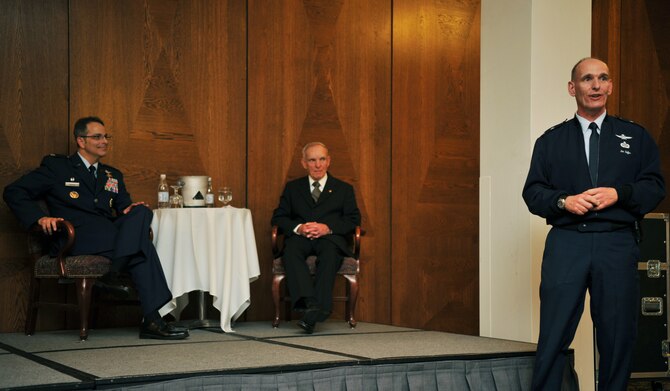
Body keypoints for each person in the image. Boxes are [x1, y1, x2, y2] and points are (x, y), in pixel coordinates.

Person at [523, 58, 665, 390]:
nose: (596, 85)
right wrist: (564, 201)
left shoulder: (636, 136)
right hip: (567, 243)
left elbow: (655, 186)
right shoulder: (551, 141)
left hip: (616, 243)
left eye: (603, 78)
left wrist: (621, 193)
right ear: (573, 88)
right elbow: (533, 192)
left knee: (618, 338)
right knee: (554, 335)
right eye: (587, 79)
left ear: (611, 86)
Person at [3, 116, 189, 340]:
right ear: (81, 141)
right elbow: (13, 191)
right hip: (74, 234)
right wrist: (39, 219)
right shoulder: (57, 167)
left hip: (107, 234)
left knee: (143, 212)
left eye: (106, 136)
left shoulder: (112, 175)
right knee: (143, 250)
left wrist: (130, 210)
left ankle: (113, 274)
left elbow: (123, 209)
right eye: (97, 137)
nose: (104, 141)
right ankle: (152, 320)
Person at [271, 142, 361, 334]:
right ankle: (313, 306)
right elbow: (278, 217)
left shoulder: (343, 189)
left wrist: (328, 228)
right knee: (291, 252)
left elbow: (353, 220)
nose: (317, 165)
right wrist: (299, 228)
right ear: (304, 163)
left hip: (330, 239)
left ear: (328, 161)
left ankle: (313, 311)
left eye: (321, 159)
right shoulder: (293, 188)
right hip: (300, 239)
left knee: (329, 255)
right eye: (312, 160)